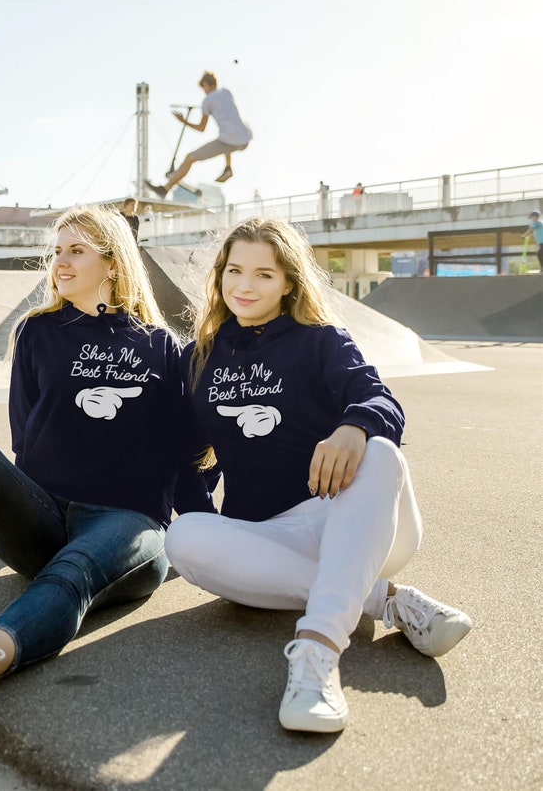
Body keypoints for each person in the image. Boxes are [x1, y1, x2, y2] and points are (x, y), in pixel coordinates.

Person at [0, 205, 213, 735]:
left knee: (74, 570)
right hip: (44, 516)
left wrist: (206, 530)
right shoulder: (36, 332)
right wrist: (17, 504)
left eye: (76, 250)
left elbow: (183, 451)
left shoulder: (161, 348)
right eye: (57, 251)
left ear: (112, 262)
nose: (60, 261)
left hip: (127, 524)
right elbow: (22, 434)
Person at [165, 217, 472, 734]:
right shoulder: (199, 358)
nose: (245, 285)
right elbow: (183, 457)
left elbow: (378, 399)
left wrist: (355, 426)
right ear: (219, 276)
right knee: (184, 534)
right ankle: (387, 600)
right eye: (234, 270)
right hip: (270, 538)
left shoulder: (321, 340)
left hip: (351, 521)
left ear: (288, 282)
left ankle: (318, 651)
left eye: (264, 274)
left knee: (379, 452)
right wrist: (219, 538)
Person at [146, 71, 252, 199]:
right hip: (245, 137)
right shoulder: (226, 92)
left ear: (206, 84)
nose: (204, 91)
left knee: (190, 157)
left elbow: (202, 128)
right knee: (224, 136)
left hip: (229, 140)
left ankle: (165, 189)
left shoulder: (207, 101)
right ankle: (228, 167)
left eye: (203, 88)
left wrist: (183, 121)